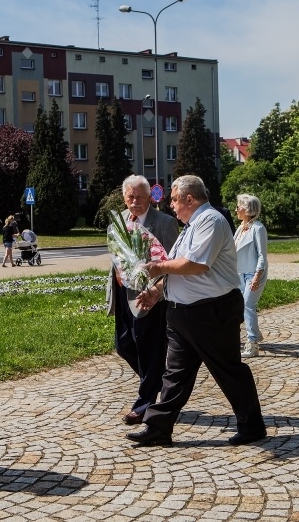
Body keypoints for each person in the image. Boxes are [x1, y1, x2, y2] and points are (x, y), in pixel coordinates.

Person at [126, 175, 266, 447]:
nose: (171, 206)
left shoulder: (211, 220)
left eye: (174, 200)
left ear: (189, 199)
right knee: (174, 374)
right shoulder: (191, 225)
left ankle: (252, 426)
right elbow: (178, 268)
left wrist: (156, 268)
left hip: (211, 312)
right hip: (182, 314)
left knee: (228, 369)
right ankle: (158, 428)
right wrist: (157, 291)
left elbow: (196, 264)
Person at [106, 175, 179, 426]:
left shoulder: (165, 223)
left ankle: (144, 404)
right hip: (123, 293)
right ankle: (156, 380)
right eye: (130, 196)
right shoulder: (119, 221)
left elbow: (171, 263)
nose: (135, 201)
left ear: (149, 197)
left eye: (140, 196)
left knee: (149, 349)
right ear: (124, 197)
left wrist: (157, 291)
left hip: (150, 297)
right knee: (124, 345)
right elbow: (116, 254)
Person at [234, 194, 268, 358]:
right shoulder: (240, 228)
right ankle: (255, 332)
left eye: (239, 206)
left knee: (248, 305)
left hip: (254, 273)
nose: (236, 209)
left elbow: (262, 256)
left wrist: (256, 276)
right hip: (240, 273)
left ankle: (253, 343)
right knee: (242, 306)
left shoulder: (258, 228)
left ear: (247, 209)